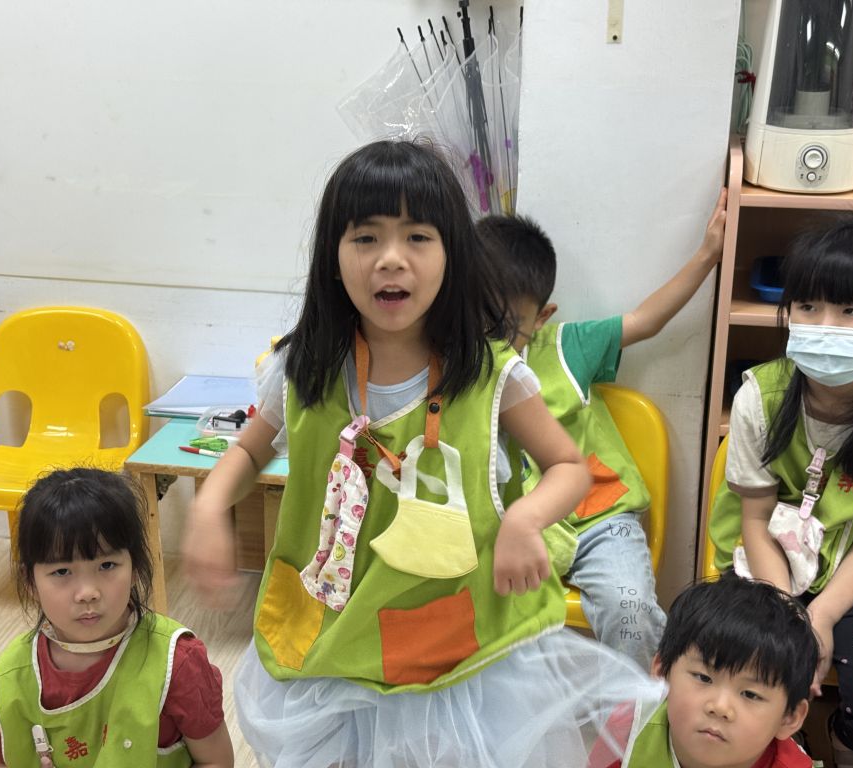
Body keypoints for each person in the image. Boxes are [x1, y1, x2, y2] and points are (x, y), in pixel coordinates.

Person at [182, 139, 665, 767]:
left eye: (417, 237)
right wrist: (209, 507)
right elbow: (249, 451)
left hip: (458, 649)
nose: (392, 258)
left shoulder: (494, 374)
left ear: (451, 256)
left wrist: (525, 519)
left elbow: (569, 468)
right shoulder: (302, 366)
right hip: (335, 636)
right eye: (365, 238)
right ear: (332, 258)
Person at [475, 188, 727, 669]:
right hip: (507, 530)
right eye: (473, 319)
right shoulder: (450, 367)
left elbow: (645, 320)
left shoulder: (565, 347)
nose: (486, 339)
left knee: (630, 613)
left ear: (541, 317)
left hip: (598, 523)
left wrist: (707, 254)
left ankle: (643, 708)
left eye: (502, 327)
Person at [708, 215, 853, 768]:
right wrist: (790, 614)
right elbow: (753, 519)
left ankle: (847, 741)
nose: (825, 325)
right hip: (765, 561)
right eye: (809, 306)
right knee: (746, 669)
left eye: (851, 310)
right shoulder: (760, 396)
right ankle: (776, 748)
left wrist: (822, 616)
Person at [0, 467, 233, 768]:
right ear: (30, 583)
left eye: (107, 565)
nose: (88, 593)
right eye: (62, 571)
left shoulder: (176, 661)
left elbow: (217, 761)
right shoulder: (14, 675)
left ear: (135, 566)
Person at [587, 575, 819, 768]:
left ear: (789, 717)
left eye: (750, 694)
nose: (720, 707)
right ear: (662, 672)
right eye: (703, 677)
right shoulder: (627, 732)